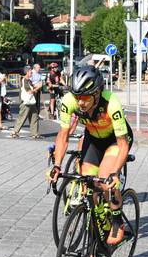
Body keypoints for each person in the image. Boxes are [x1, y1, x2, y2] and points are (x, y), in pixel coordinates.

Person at [48, 66, 133, 247]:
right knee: (88, 182)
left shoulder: (111, 103)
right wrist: (56, 165)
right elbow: (63, 135)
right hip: (93, 139)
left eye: (86, 97)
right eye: (78, 97)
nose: (80, 103)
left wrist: (115, 173)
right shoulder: (69, 101)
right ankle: (96, 232)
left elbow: (123, 144)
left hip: (115, 141)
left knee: (104, 179)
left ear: (98, 92)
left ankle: (117, 220)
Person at [10, 66, 42, 139]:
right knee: (22, 117)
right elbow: (29, 92)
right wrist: (37, 87)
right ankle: (14, 132)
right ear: (27, 72)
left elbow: (33, 89)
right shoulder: (24, 80)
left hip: (31, 101)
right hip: (26, 102)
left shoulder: (29, 80)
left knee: (34, 116)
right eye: (31, 72)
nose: (32, 73)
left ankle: (35, 133)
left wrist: (37, 87)